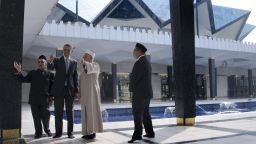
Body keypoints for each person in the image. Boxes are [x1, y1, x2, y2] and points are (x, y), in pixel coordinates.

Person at [13, 55, 54, 139]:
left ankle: (47, 129)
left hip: (45, 100)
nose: (40, 63)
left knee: (46, 116)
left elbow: (52, 87)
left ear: (45, 64)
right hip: (34, 100)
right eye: (38, 62)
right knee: (36, 118)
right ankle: (38, 133)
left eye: (42, 62)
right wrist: (19, 71)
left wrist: (51, 97)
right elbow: (22, 80)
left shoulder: (49, 74)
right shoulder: (32, 73)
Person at [48, 44, 79, 139]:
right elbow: (51, 67)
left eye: (68, 50)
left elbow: (75, 77)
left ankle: (70, 133)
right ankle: (58, 133)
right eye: (64, 50)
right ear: (63, 50)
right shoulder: (57, 60)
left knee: (70, 112)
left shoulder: (74, 62)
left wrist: (76, 91)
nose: (66, 51)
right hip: (59, 90)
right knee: (58, 112)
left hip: (70, 90)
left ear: (71, 51)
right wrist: (50, 61)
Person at [128, 43, 155, 143]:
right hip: (147, 93)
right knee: (145, 113)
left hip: (140, 94)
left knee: (137, 114)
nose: (133, 52)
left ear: (139, 51)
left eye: (134, 50)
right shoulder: (146, 61)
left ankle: (137, 135)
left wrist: (131, 91)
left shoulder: (139, 62)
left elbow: (134, 79)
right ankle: (150, 132)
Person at [79, 50, 103, 139]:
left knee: (91, 112)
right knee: (85, 112)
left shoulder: (95, 65)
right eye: (84, 55)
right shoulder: (83, 66)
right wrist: (79, 92)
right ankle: (86, 132)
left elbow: (90, 69)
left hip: (92, 93)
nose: (84, 57)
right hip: (84, 93)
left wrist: (84, 63)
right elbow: (81, 80)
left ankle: (92, 132)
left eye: (86, 56)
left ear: (91, 57)